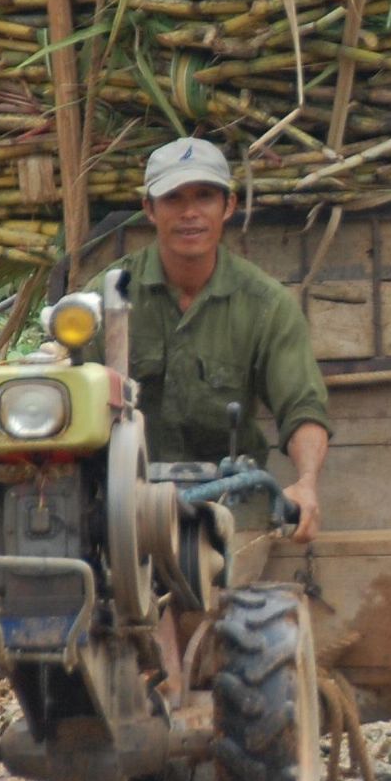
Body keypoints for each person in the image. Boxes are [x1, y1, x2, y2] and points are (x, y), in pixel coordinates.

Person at [119, 137, 329, 543]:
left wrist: (306, 482)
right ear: (149, 209)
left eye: (204, 197)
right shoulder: (109, 297)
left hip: (232, 511)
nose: (190, 213)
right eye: (174, 198)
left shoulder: (266, 305)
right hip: (122, 512)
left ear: (228, 206)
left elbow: (302, 407)